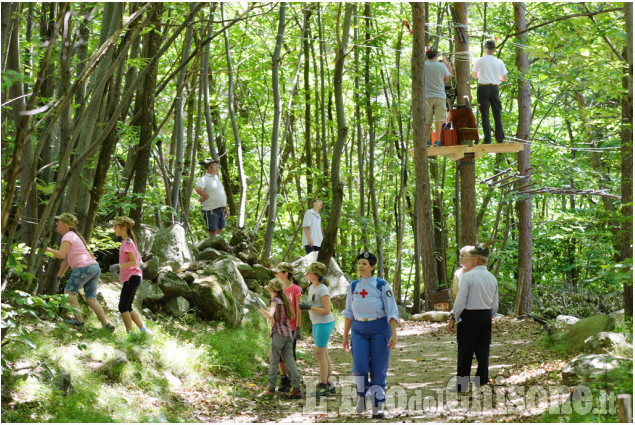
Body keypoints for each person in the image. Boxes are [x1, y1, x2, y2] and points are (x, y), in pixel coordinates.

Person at [342, 252, 399, 419]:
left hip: (380, 328)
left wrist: (394, 334)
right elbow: (349, 312)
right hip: (359, 329)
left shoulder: (382, 285)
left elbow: (392, 311)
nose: (361, 266)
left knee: (378, 367)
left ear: (372, 267)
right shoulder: (353, 286)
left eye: (365, 263)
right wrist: (345, 336)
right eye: (359, 263)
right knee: (359, 365)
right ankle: (361, 396)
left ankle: (377, 404)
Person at [45, 213, 115, 332]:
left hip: (84, 267)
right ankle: (106, 325)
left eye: (59, 223)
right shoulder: (73, 236)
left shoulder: (68, 235)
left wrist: (45, 249)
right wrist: (59, 276)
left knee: (68, 292)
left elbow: (61, 255)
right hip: (94, 267)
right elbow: (66, 260)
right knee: (91, 298)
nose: (57, 225)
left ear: (65, 225)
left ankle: (79, 320)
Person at [448, 244, 499, 393]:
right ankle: (482, 383)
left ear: (476, 259)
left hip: (469, 316)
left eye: (470, 257)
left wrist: (453, 316)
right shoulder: (492, 278)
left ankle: (462, 385)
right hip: (485, 316)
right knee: (483, 350)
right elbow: (495, 304)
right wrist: (488, 315)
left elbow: (461, 301)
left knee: (465, 350)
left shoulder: (468, 277)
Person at [253, 278, 302, 399]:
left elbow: (270, 315)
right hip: (288, 334)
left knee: (274, 360)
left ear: (270, 289)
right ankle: (297, 388)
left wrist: (258, 307)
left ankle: (271, 388)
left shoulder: (275, 300)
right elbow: (291, 316)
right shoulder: (285, 301)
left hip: (278, 334)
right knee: (290, 361)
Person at [299, 262, 336, 397]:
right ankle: (330, 383)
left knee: (319, 353)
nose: (306, 274)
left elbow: (326, 310)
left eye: (309, 272)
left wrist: (309, 307)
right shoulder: (311, 287)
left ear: (316, 275)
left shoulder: (322, 289)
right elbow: (313, 304)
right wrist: (308, 306)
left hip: (324, 323)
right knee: (323, 353)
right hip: (317, 323)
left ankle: (324, 384)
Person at [109, 216, 150, 335]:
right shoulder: (128, 242)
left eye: (116, 226)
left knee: (122, 307)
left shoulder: (126, 243)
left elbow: (133, 261)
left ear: (123, 228)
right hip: (134, 277)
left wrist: (118, 266)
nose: (114, 228)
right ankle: (144, 330)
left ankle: (130, 334)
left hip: (132, 277)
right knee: (128, 307)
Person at [272, 262, 302, 393]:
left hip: (291, 327)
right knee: (278, 355)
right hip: (279, 327)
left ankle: (293, 380)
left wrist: (299, 327)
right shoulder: (277, 288)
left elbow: (299, 309)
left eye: (278, 272)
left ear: (286, 274)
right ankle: (284, 379)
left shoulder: (295, 289)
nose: (275, 274)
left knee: (290, 355)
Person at [472, 39, 508, 144]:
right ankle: (500, 138)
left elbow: (474, 75)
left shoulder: (479, 60)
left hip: (483, 88)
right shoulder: (499, 61)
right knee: (497, 113)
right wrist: (496, 78)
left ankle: (487, 139)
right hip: (494, 88)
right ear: (494, 49)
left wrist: (483, 75)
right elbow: (504, 78)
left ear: (485, 48)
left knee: (485, 114)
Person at [424, 49, 453, 147]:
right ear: (436, 56)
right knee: (439, 119)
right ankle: (437, 141)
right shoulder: (441, 66)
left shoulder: (423, 65)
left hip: (427, 96)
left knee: (427, 120)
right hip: (440, 95)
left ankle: (427, 140)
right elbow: (447, 79)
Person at [195, 158, 229, 237]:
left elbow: (222, 194)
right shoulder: (205, 179)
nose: (217, 167)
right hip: (210, 209)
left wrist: (226, 208)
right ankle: (211, 248)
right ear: (209, 168)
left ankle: (216, 248)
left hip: (221, 208)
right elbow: (198, 188)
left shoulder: (217, 178)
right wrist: (205, 196)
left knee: (219, 229)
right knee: (213, 231)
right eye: (215, 165)